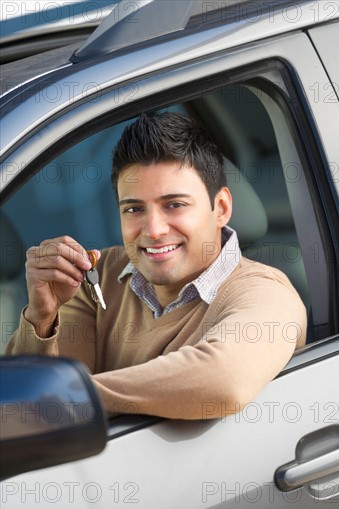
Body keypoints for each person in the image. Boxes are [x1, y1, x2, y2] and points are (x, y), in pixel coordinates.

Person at [6, 112, 307, 419]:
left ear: (222, 208)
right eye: (134, 209)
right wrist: (42, 318)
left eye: (174, 205)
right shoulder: (98, 274)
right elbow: (27, 411)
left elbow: (222, 380)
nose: (153, 229)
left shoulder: (266, 293)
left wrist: (64, 396)